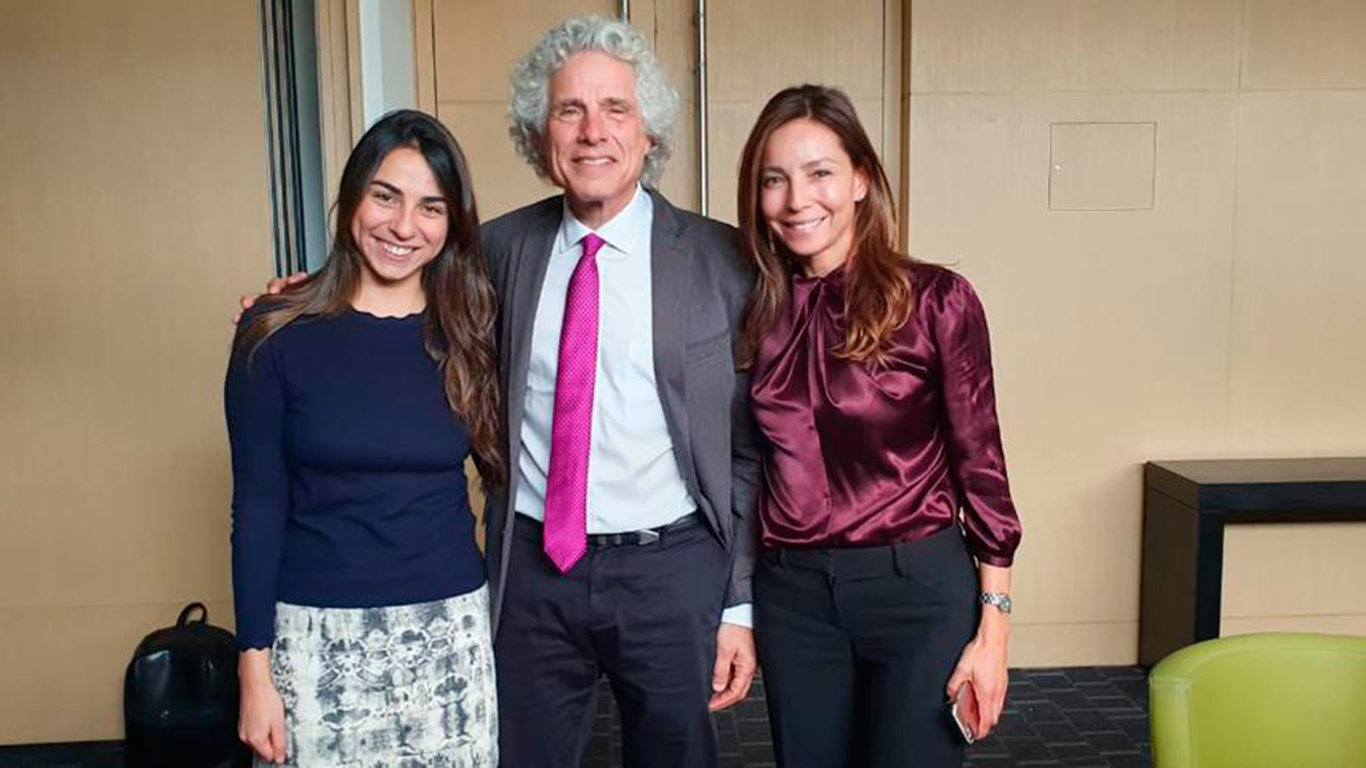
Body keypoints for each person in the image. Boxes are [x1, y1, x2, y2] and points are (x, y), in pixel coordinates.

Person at [239, 16, 760, 768]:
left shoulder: (723, 261)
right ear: (539, 137)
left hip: (670, 571)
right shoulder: (493, 255)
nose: (591, 132)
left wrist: (737, 603)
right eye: (568, 111)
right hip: (531, 574)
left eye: (615, 109)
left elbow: (749, 449)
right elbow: (388, 277)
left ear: (649, 132)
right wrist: (297, 299)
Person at [734, 84, 1023, 767]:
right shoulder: (752, 313)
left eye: (820, 173)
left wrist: (994, 631)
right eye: (775, 179)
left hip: (916, 589)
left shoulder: (937, 301)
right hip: (793, 597)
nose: (797, 198)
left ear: (862, 178)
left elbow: (982, 467)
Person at [226, 110, 500, 766]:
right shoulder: (274, 333)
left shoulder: (473, 330)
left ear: (452, 225)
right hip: (317, 638)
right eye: (386, 196)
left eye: (431, 207)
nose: (405, 227)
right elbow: (258, 506)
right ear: (351, 196)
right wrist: (253, 673)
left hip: (450, 633)